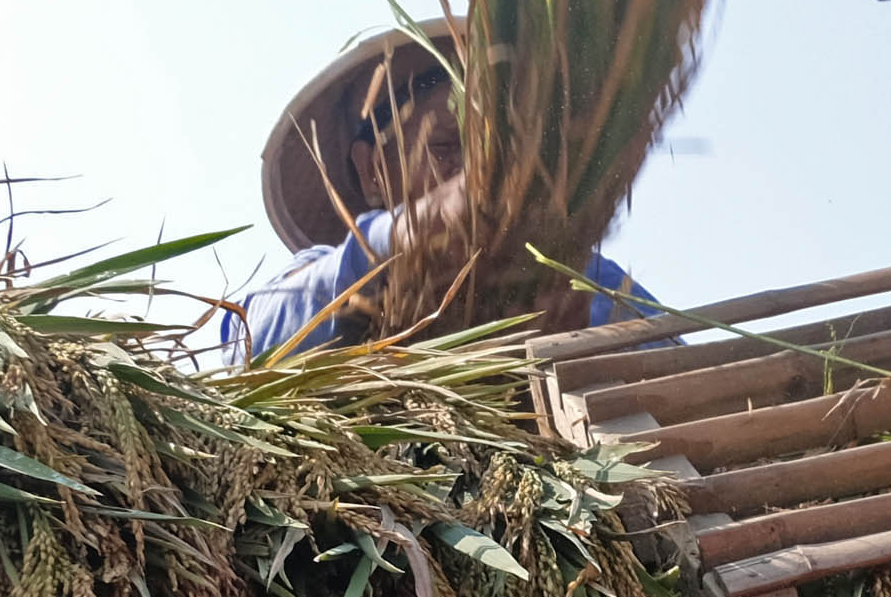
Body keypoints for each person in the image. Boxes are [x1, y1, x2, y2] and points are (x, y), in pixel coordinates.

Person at [229, 18, 658, 361]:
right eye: (446, 147)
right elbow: (245, 341)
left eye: (492, 154)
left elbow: (686, 375)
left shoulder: (589, 279)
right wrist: (402, 243)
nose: (472, 174)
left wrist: (579, 345)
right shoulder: (317, 273)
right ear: (372, 169)